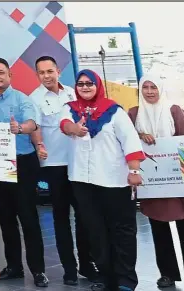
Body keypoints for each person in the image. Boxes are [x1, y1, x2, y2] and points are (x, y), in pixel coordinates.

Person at [60, 69, 143, 291]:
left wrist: (134, 171)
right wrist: (74, 129)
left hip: (114, 181)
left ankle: (126, 279)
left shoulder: (114, 111)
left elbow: (131, 142)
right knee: (95, 231)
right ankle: (106, 277)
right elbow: (65, 125)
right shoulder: (70, 109)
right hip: (83, 181)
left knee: (122, 231)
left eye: (89, 83)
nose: (85, 87)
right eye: (80, 83)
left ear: (98, 85)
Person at [0, 57, 48, 287]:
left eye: (1, 72)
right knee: (6, 219)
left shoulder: (22, 99)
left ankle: (38, 270)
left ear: (10, 75)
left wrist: (20, 128)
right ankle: (14, 267)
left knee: (28, 218)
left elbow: (32, 124)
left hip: (23, 165)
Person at [28, 56, 98, 285]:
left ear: (58, 70)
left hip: (79, 162)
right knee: (60, 218)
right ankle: (70, 268)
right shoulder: (34, 99)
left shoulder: (73, 93)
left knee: (85, 215)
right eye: (41, 72)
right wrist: (39, 146)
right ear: (37, 74)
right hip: (54, 165)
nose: (46, 76)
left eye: (50, 71)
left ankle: (88, 265)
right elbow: (35, 128)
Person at [128, 74, 184, 289]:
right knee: (159, 228)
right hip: (153, 184)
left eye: (154, 87)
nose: (150, 92)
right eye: (146, 87)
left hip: (177, 182)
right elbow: (127, 140)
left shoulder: (174, 112)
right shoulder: (134, 115)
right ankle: (167, 273)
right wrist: (140, 135)